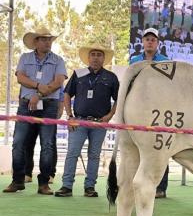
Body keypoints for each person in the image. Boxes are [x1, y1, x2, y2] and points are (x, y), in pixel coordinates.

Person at [3, 28, 67, 195]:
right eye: (44, 39)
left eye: (50, 39)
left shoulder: (58, 60)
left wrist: (38, 95)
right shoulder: (25, 57)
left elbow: (58, 82)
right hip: (25, 105)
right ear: (36, 42)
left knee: (47, 145)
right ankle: (18, 180)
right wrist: (38, 86)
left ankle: (44, 183)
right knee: (18, 143)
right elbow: (20, 78)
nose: (48, 42)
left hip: (49, 106)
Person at [55, 44, 119, 197]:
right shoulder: (78, 74)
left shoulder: (111, 77)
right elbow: (67, 95)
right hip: (79, 121)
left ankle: (90, 187)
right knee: (72, 153)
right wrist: (69, 116)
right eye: (93, 54)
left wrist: (109, 116)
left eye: (99, 55)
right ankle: (67, 186)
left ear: (103, 58)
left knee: (94, 155)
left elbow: (118, 99)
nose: (96, 57)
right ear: (88, 58)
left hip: (99, 123)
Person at [130, 27, 170, 198]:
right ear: (142, 42)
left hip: (160, 108)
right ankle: (137, 184)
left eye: (153, 39)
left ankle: (161, 188)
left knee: (161, 147)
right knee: (138, 148)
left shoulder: (165, 60)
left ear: (157, 43)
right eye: (147, 39)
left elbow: (168, 85)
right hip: (140, 108)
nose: (150, 42)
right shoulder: (134, 60)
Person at [24, 88, 65, 184]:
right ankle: (27, 173)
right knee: (27, 143)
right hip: (31, 111)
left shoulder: (54, 76)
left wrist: (60, 109)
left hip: (49, 111)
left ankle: (50, 174)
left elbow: (61, 94)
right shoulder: (30, 77)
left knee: (49, 144)